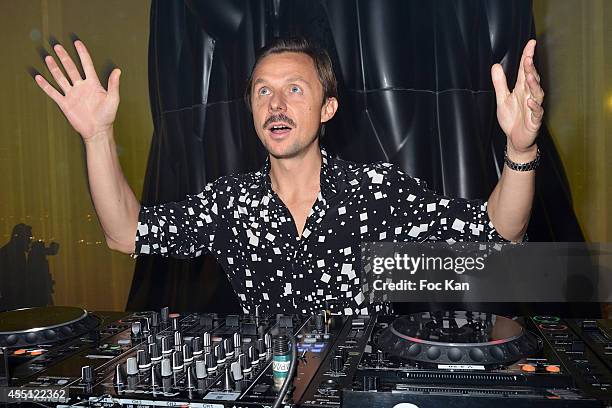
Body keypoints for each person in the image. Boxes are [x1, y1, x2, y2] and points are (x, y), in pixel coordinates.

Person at [34, 37, 544, 314]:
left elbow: (501, 230)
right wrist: (97, 138)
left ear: (329, 108)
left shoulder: (378, 191)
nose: (276, 104)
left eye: (295, 90)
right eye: (262, 91)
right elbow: (125, 233)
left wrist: (520, 147)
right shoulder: (230, 202)